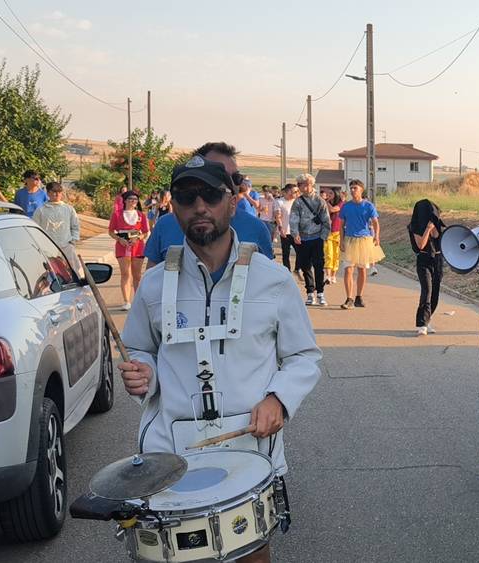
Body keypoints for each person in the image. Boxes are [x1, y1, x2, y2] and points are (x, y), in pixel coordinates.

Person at [118, 156, 321, 563]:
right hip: (171, 456)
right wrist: (144, 373)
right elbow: (139, 348)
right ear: (172, 206)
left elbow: (303, 356)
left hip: (250, 452)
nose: (199, 206)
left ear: (231, 202)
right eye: (186, 196)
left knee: (250, 557)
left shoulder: (273, 280)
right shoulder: (154, 286)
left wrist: (278, 399)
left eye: (211, 195)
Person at [142, 143, 274, 268]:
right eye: (217, 175)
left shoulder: (255, 228)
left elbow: (268, 281)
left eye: (235, 177)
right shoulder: (165, 226)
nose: (230, 182)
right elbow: (153, 282)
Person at [338, 180, 384, 309]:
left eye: (355, 188)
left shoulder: (368, 206)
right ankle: (349, 298)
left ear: (361, 190)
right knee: (348, 269)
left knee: (362, 269)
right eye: (351, 188)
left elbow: (375, 222)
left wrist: (377, 236)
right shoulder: (346, 206)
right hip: (349, 239)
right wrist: (341, 240)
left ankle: (359, 296)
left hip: (364, 239)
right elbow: (341, 225)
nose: (353, 190)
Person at [289, 173, 331, 306]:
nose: (302, 187)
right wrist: (295, 234)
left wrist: (323, 237)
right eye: (300, 185)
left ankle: (320, 293)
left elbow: (326, 221)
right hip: (303, 238)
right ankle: (309, 293)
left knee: (319, 266)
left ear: (310, 185)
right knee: (305, 266)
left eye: (304, 185)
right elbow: (294, 219)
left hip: (317, 237)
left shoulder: (319, 201)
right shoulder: (298, 202)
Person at [408, 199, 445, 335]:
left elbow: (441, 239)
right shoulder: (415, 226)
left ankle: (428, 319)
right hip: (424, 259)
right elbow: (420, 245)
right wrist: (428, 229)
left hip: (438, 259)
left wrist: (435, 226)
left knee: (435, 292)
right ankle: (422, 323)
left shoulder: (438, 224)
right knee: (427, 291)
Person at [109, 190, 150, 311]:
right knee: (125, 273)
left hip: (137, 246)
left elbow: (146, 232)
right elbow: (111, 231)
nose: (133, 201)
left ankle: (138, 299)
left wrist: (138, 238)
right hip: (123, 245)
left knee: (137, 275)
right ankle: (126, 301)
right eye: (131, 199)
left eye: (135, 199)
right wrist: (119, 239)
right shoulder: (117, 214)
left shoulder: (141, 215)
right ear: (125, 200)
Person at [32, 181, 81, 269]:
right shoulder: (41, 210)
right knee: (51, 272)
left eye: (59, 192)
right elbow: (34, 230)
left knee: (73, 271)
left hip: (66, 247)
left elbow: (75, 226)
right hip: (47, 249)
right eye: (54, 192)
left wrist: (72, 241)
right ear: (48, 193)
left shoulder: (68, 209)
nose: (57, 194)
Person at [276, 184, 301, 277]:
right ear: (287, 192)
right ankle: (287, 272)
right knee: (286, 253)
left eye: (297, 191)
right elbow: (278, 217)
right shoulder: (280, 202)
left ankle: (297, 269)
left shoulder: (297, 201)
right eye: (294, 191)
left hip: (296, 232)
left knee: (300, 252)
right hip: (285, 232)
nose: (296, 193)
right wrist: (281, 229)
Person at [323, 187, 344, 284]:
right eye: (328, 194)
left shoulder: (341, 203)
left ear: (336, 194)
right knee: (329, 254)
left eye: (331, 193)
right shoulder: (326, 203)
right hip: (328, 232)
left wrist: (324, 201)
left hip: (338, 233)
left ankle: (333, 275)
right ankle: (327, 275)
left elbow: (332, 210)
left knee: (336, 255)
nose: (329, 195)